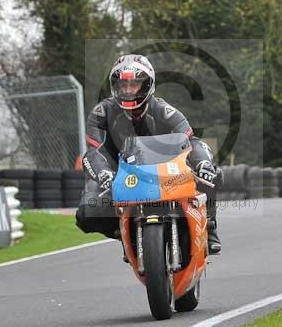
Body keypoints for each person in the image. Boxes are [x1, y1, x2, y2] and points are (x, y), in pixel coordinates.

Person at [75, 54, 223, 254]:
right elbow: (93, 152)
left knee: (211, 173)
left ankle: (210, 227)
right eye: (122, 85)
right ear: (115, 86)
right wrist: (104, 173)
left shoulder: (164, 110)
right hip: (120, 176)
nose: (127, 91)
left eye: (133, 84)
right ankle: (124, 232)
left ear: (146, 85)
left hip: (166, 174)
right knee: (86, 213)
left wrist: (203, 164)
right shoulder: (102, 113)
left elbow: (192, 141)